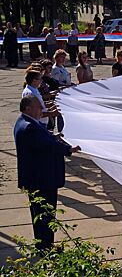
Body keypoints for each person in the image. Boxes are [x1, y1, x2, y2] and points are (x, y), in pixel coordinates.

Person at [14, 96, 80, 251]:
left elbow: (42, 140)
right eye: (38, 107)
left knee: (40, 214)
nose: (41, 110)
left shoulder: (25, 122)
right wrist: (68, 150)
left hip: (37, 178)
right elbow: (46, 147)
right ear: (28, 108)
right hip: (42, 179)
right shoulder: (29, 126)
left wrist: (53, 137)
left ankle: (43, 245)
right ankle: (46, 247)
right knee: (45, 214)